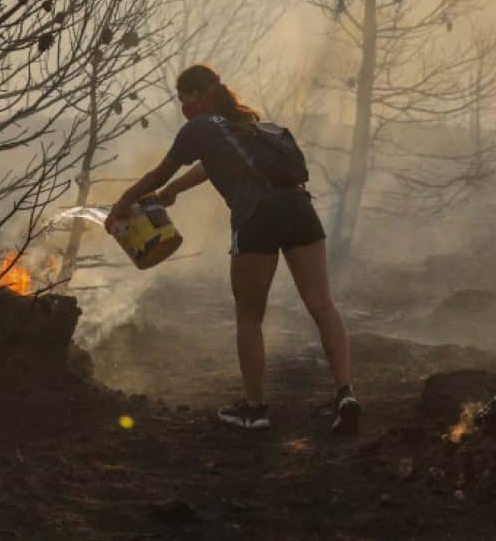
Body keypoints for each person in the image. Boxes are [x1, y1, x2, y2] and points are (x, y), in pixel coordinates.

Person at [110, 64, 359, 432]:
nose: (183, 107)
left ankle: (255, 410)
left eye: (184, 99)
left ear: (198, 95)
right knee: (323, 305)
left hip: (257, 217)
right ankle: (345, 393)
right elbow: (214, 167)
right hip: (299, 209)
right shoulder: (249, 125)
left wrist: (123, 203)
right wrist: (177, 190)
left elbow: (158, 173)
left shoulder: (199, 128)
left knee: (249, 317)